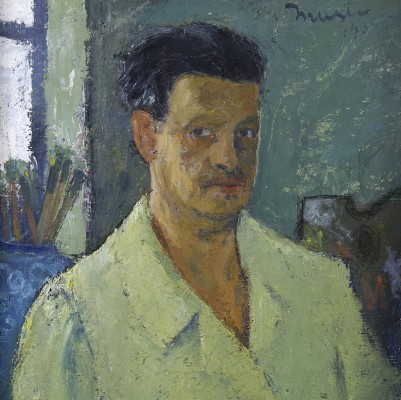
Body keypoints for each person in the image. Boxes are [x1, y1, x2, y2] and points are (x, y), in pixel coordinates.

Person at [12, 23, 399, 399]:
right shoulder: (74, 318)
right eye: (201, 133)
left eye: (246, 133)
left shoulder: (322, 288)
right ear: (147, 136)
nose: (229, 159)